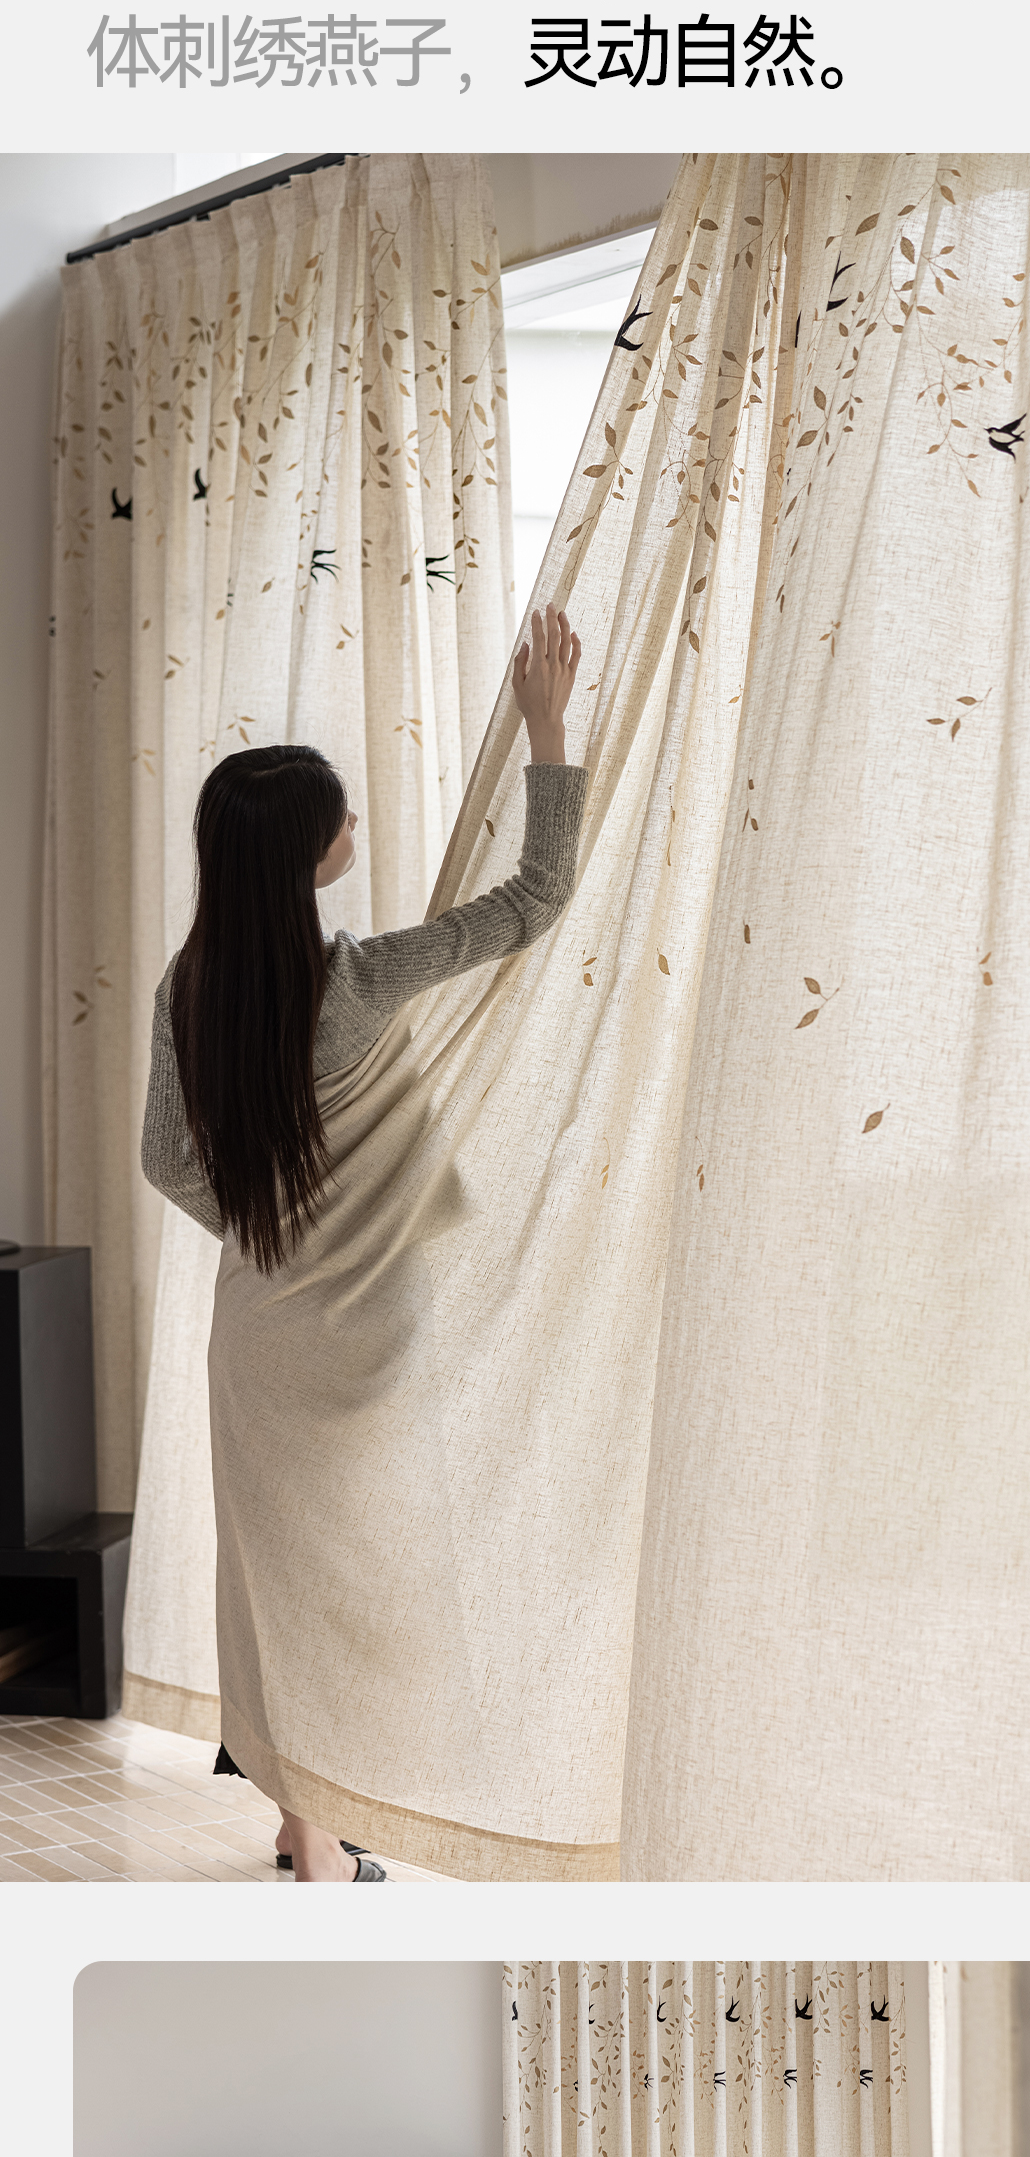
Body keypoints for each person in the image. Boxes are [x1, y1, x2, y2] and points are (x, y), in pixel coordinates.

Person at [140, 606, 586, 1880]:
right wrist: (547, 731)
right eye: (341, 819)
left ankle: (301, 1823)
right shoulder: (364, 977)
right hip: (377, 1324)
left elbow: (167, 1159)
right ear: (302, 855)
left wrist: (272, 1228)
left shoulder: (188, 987)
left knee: (274, 1580)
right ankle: (328, 1840)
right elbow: (538, 897)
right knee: (374, 1580)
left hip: (261, 1330)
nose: (355, 828)